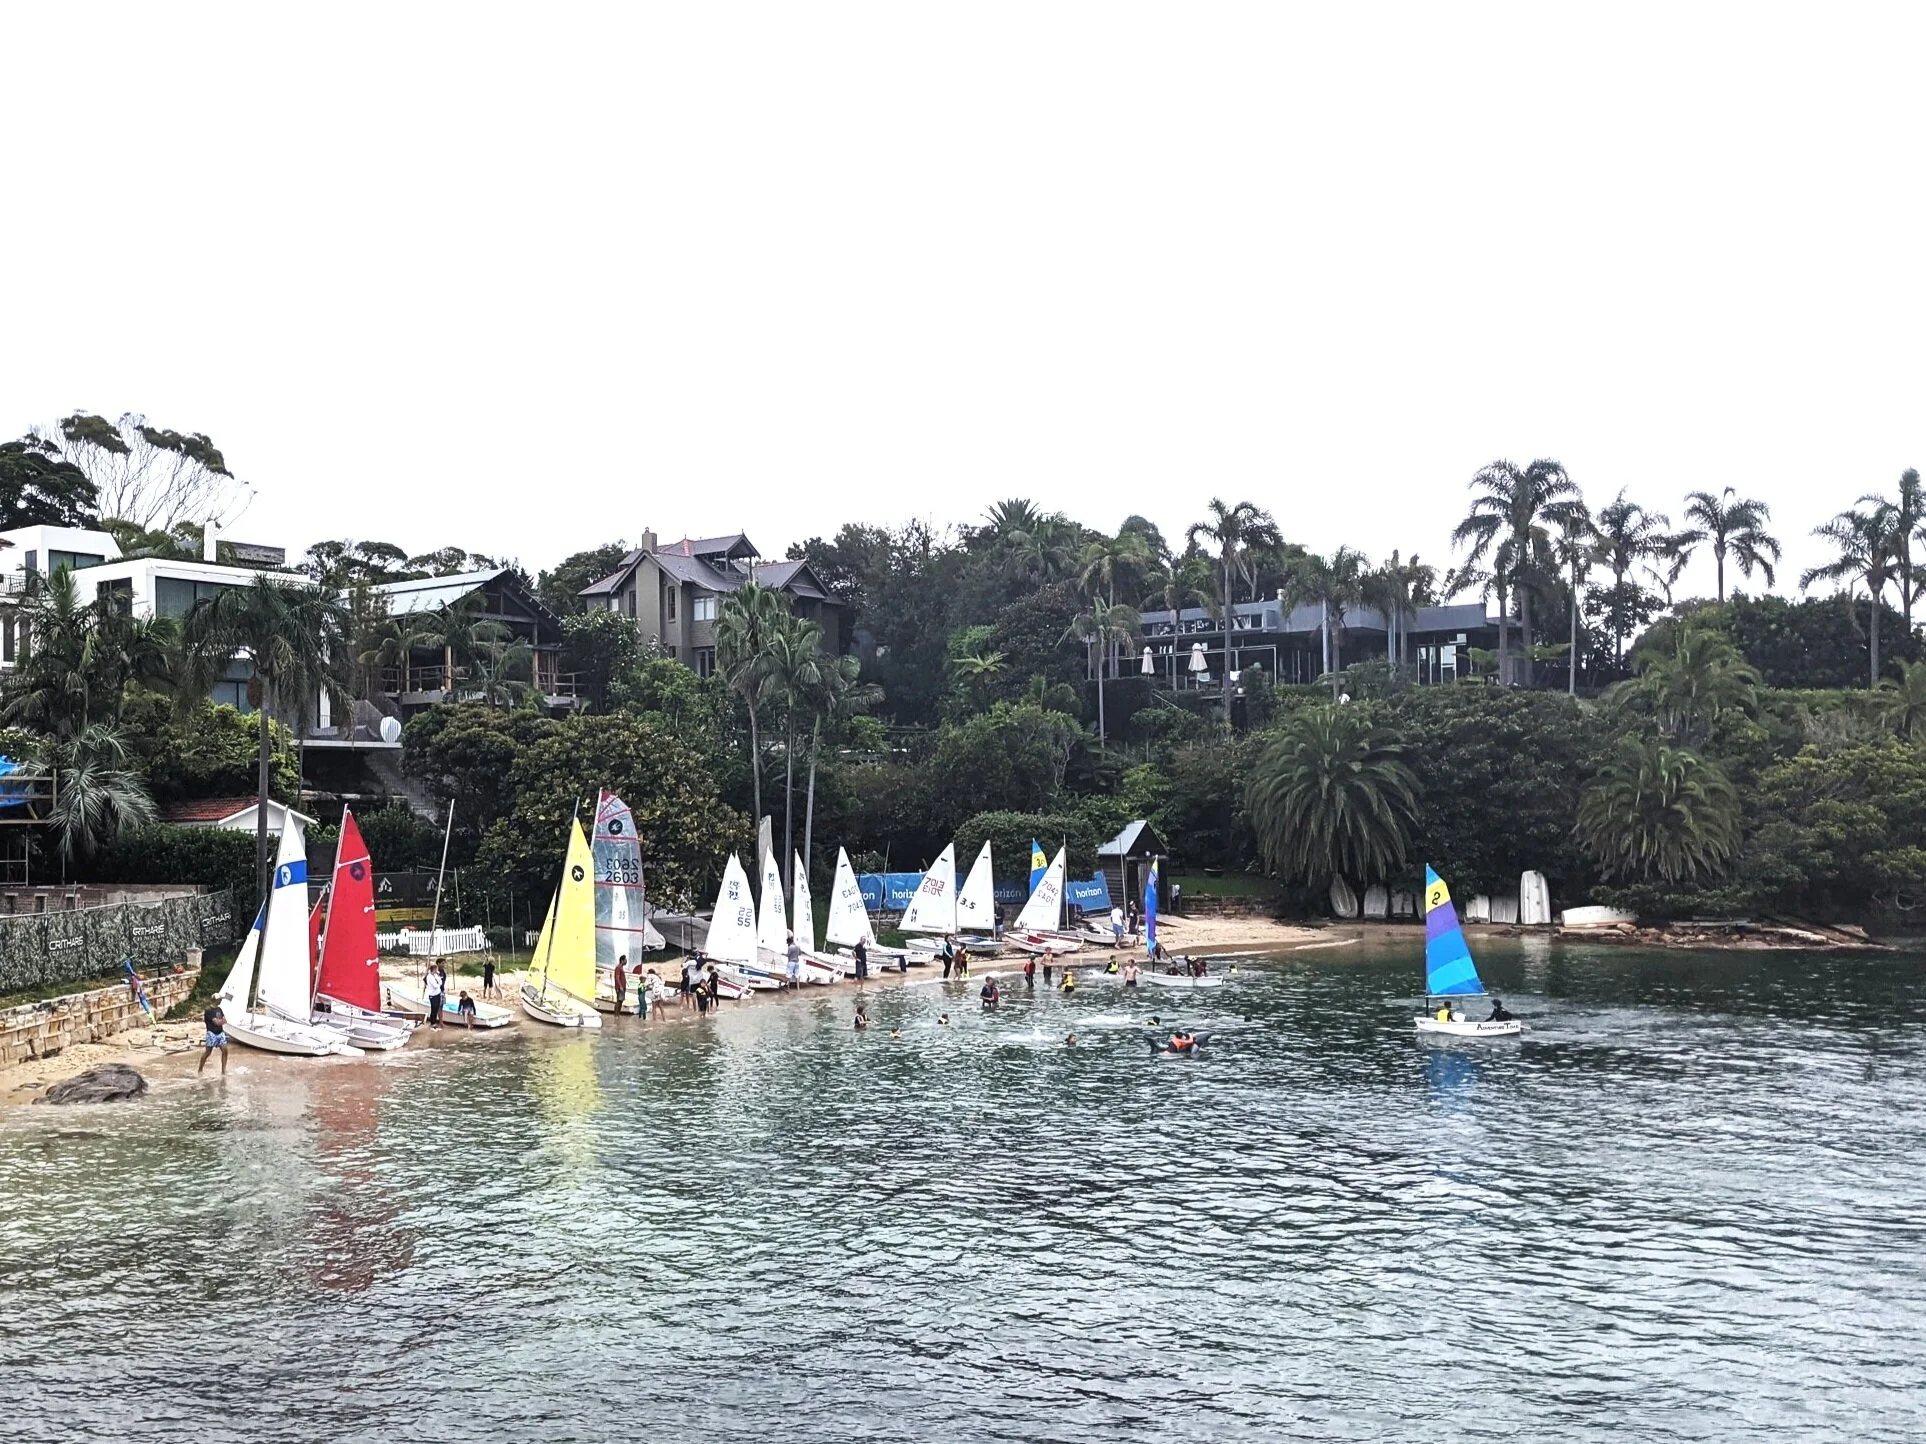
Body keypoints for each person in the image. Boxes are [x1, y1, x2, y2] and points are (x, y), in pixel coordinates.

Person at [199, 998, 228, 1076]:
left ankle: (223, 1071)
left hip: (220, 1033)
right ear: (215, 1000)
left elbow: (225, 1020)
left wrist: (220, 1021)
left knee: (225, 1050)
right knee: (208, 1052)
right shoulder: (208, 1010)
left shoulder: (219, 1009)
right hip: (211, 1033)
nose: (221, 1000)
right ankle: (200, 1069)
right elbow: (217, 1022)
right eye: (219, 999)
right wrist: (220, 1021)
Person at [424, 960, 447, 1028]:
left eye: (444, 963)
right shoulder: (431, 975)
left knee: (440, 1006)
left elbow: (442, 982)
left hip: (440, 991)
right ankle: (435, 1021)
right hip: (433, 993)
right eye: (442, 963)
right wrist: (430, 986)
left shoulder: (442, 972)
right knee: (435, 1008)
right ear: (438, 964)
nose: (443, 965)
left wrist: (440, 985)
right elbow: (435, 985)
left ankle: (439, 1021)